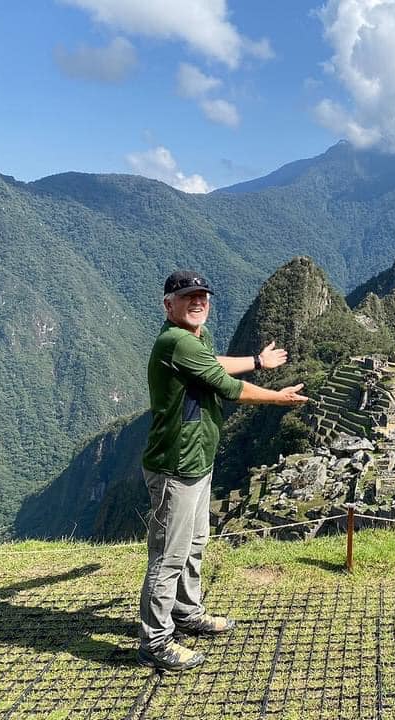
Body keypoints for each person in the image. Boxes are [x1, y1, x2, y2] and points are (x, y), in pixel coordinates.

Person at [137, 270, 308, 672]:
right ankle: (155, 641)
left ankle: (186, 612)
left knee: (194, 543)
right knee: (168, 555)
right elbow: (231, 389)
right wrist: (277, 397)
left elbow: (212, 364)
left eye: (203, 297)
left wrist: (256, 361)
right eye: (188, 297)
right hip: (175, 465)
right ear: (168, 305)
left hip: (197, 460)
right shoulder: (175, 341)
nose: (198, 302)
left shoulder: (196, 339)